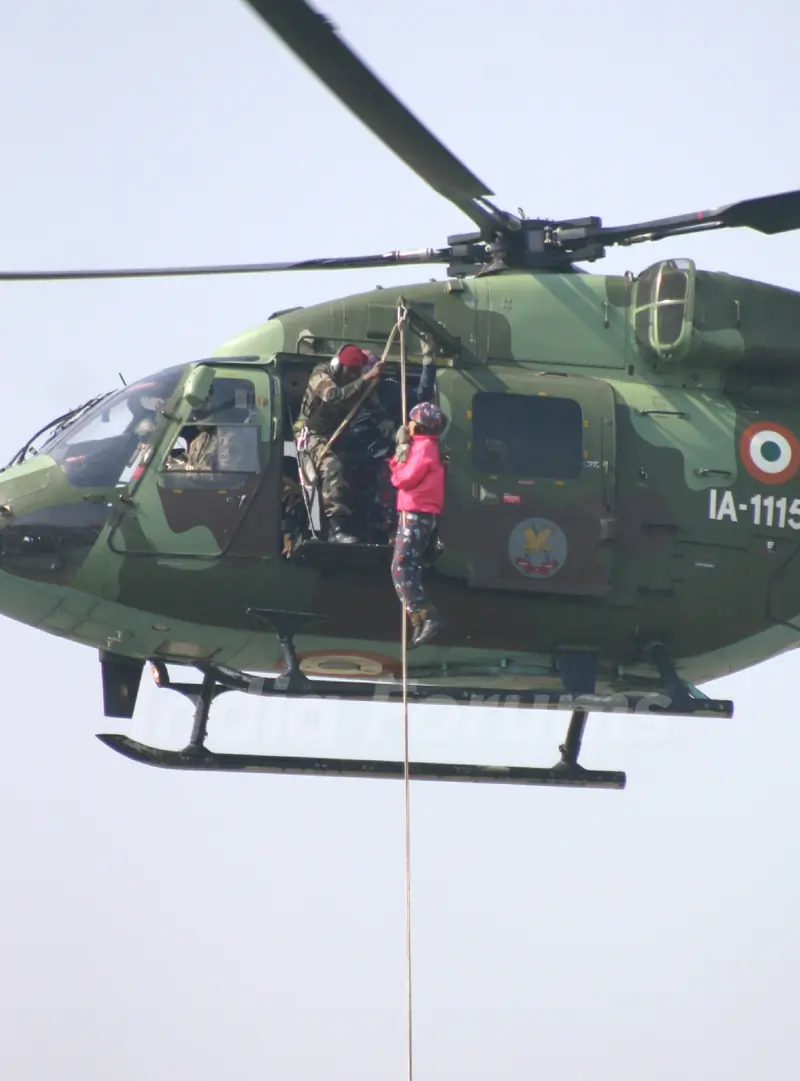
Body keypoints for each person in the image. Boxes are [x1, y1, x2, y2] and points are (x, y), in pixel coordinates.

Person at [294, 344, 392, 543]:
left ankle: (366, 525)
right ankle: (335, 530)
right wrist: (364, 379)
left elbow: (379, 416)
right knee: (333, 468)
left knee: (362, 466)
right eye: (350, 371)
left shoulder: (359, 385)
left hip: (336, 436)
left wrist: (400, 439)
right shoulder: (321, 374)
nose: (352, 376)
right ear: (338, 366)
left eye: (357, 372)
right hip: (309, 434)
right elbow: (332, 396)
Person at [389, 401, 446, 648]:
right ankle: (417, 621)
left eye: (412, 421)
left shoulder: (423, 450)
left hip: (416, 512)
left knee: (400, 567)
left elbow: (402, 479)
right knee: (411, 568)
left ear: (418, 427)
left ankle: (427, 615)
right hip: (415, 511)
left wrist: (400, 449)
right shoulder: (425, 447)